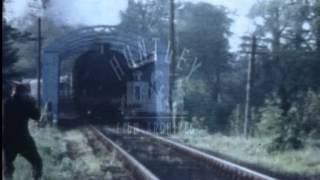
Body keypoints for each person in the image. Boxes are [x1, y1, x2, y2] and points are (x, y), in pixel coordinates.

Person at [3, 82, 42, 180]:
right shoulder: (26, 102)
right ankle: (36, 178)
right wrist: (34, 103)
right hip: (23, 139)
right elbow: (37, 116)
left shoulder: (5, 103)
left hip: (7, 140)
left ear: (13, 91)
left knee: (7, 166)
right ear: (23, 92)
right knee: (37, 162)